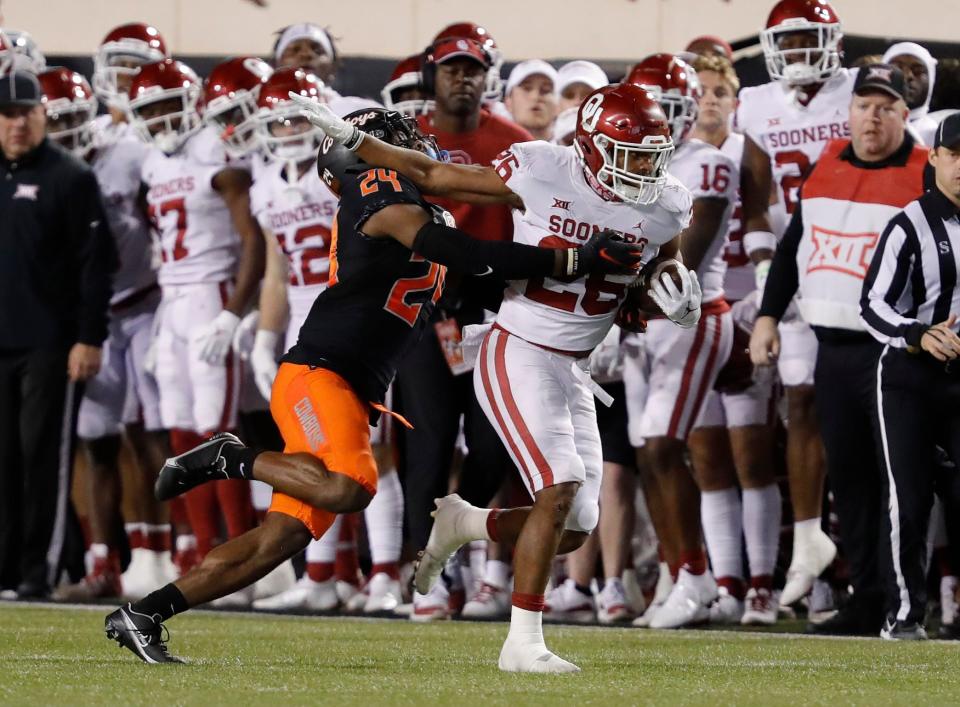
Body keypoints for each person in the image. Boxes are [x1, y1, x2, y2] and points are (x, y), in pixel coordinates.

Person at [104, 105, 643, 663]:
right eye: (396, 140)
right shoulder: (375, 187)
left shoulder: (420, 210)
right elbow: (461, 252)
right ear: (363, 155)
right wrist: (572, 258)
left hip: (351, 387)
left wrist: (601, 298)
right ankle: (231, 456)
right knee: (350, 485)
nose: (412, 146)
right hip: (320, 373)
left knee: (278, 541)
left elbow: (475, 274)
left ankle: (144, 614)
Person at [307, 83, 696, 671]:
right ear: (592, 147)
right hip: (520, 347)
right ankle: (523, 644)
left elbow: (661, 267)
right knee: (558, 487)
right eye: (630, 156)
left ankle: (465, 521)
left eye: (651, 156)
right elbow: (435, 179)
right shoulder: (543, 169)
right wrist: (358, 140)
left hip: (577, 366)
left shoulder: (668, 202)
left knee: (575, 526)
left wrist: (670, 296)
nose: (643, 169)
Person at [751, 64, 928, 635]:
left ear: (906, 114)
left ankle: (902, 603)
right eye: (863, 105)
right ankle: (866, 598)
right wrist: (768, 315)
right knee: (849, 478)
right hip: (832, 347)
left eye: (885, 107)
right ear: (847, 111)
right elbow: (792, 246)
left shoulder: (927, 173)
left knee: (895, 481)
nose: (871, 117)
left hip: (893, 351)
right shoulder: (827, 161)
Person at [405, 36, 534, 620]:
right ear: (432, 75)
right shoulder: (405, 138)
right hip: (423, 301)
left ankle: (450, 540)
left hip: (494, 304)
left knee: (492, 443)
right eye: (453, 70)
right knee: (428, 440)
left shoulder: (516, 142)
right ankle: (423, 574)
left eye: (474, 71)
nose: (464, 80)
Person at [128, 58, 265, 598]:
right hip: (174, 301)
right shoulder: (155, 165)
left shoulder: (215, 148)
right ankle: (204, 551)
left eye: (166, 103)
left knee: (217, 430)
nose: (160, 117)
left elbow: (251, 237)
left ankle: (237, 554)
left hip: (211, 295)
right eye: (148, 109)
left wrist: (234, 310)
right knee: (180, 430)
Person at [737, 0, 855, 607]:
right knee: (802, 404)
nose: (805, 51)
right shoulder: (756, 104)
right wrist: (763, 278)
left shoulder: (862, 89)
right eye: (795, 40)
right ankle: (812, 541)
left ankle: (862, 551)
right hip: (794, 271)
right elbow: (756, 198)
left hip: (857, 264)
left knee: (861, 411)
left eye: (815, 38)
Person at [622, 54, 744, 628]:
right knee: (649, 453)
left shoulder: (708, 163)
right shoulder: (623, 165)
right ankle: (681, 574)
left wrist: (614, 310)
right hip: (640, 322)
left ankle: (697, 577)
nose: (661, 122)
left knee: (664, 448)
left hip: (692, 314)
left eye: (672, 108)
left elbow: (682, 263)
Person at [0, 70, 116, 598]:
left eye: (26, 112)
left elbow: (97, 265)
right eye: (6, 114)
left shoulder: (70, 177)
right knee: (4, 457)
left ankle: (38, 570)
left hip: (50, 341)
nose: (16, 123)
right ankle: (6, 566)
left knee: (41, 456)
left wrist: (89, 338)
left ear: (44, 115)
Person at [860, 111, 960, 640]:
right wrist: (919, 333)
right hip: (910, 376)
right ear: (936, 158)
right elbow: (872, 304)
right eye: (956, 153)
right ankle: (904, 616)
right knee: (909, 496)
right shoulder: (909, 224)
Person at [882, 42, 938, 145]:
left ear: (931, 81)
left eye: (918, 70)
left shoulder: (939, 136)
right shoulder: (859, 128)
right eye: (896, 68)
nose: (907, 75)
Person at [503, 59, 559, 141]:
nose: (535, 97)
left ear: (558, 106)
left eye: (546, 90)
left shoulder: (574, 151)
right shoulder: (490, 149)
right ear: (508, 102)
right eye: (527, 88)